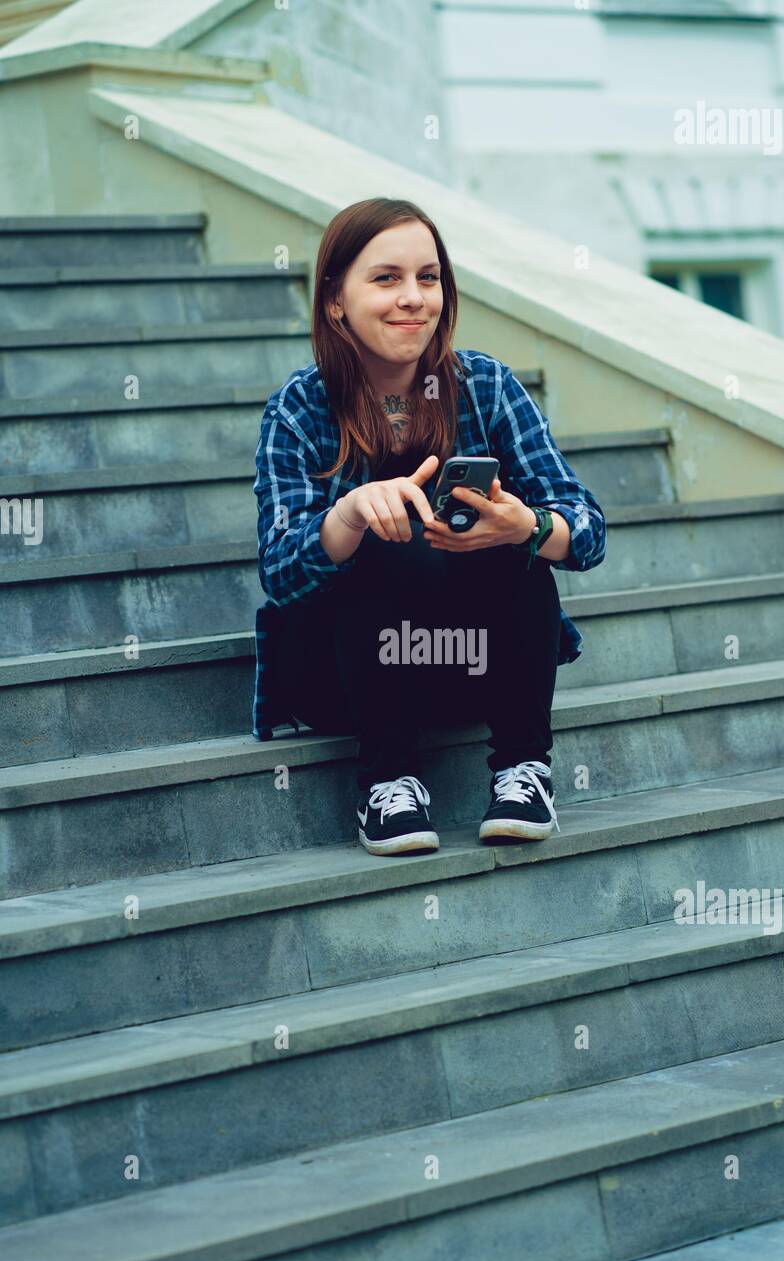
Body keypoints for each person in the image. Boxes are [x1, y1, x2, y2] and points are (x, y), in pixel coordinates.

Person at [253, 197, 606, 857]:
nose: (412, 298)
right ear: (336, 299)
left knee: (519, 540)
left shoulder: (486, 387)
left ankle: (523, 772)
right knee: (382, 535)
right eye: (385, 278)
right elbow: (278, 573)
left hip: (470, 664)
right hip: (343, 675)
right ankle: (387, 781)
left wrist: (525, 526)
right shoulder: (299, 409)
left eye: (428, 277)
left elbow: (586, 528)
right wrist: (350, 513)